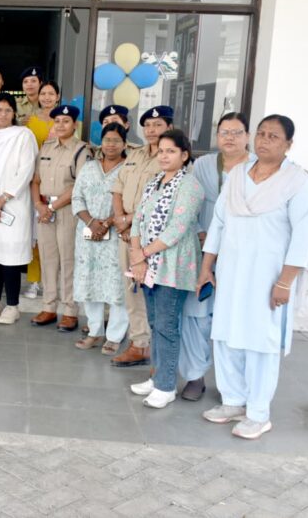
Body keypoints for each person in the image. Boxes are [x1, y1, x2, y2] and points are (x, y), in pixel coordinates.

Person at [199, 114, 308, 440]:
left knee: (261, 342)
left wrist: (285, 282)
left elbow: (303, 237)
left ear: (288, 144)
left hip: (268, 277)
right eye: (261, 134)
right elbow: (219, 223)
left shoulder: (298, 182)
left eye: (273, 136)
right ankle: (233, 400)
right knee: (225, 335)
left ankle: (258, 413)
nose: (264, 140)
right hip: (231, 272)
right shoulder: (238, 175)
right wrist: (207, 267)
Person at [178, 112, 253, 401]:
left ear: (247, 136)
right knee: (195, 313)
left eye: (236, 132)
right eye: (224, 132)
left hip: (240, 252)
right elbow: (189, 201)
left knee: (233, 317)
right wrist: (200, 232)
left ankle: (231, 384)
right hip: (201, 247)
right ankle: (195, 376)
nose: (230, 138)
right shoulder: (203, 165)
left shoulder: (257, 167)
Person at [128, 129, 204, 408]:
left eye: (171, 151)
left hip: (173, 267)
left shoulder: (190, 186)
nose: (164, 156)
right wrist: (137, 255)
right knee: (154, 323)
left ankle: (166, 386)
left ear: (184, 155)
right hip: (147, 264)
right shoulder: (155, 181)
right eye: (161, 151)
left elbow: (176, 229)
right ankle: (157, 376)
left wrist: (143, 254)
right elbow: (138, 219)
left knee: (166, 326)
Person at [110, 105, 174, 367]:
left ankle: (153, 346)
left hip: (152, 239)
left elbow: (164, 201)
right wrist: (120, 220)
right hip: (126, 235)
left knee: (152, 291)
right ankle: (139, 343)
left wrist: (128, 221)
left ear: (169, 128)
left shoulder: (172, 158)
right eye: (147, 125)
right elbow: (118, 189)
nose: (151, 130)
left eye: (157, 125)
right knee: (132, 290)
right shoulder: (134, 154)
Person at [0, 93, 38, 325]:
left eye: (7, 110)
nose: (3, 114)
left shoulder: (23, 135)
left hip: (13, 204)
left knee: (10, 258)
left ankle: (12, 306)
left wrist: (2, 199)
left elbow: (25, 170)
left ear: (14, 113)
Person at [30, 105, 89, 332]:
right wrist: (39, 205)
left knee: (68, 261)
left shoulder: (82, 150)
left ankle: (70, 311)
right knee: (48, 259)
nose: (61, 125)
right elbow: (36, 180)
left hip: (67, 211)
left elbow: (79, 186)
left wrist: (52, 207)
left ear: (75, 125)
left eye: (66, 121)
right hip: (44, 210)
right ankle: (49, 307)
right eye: (58, 121)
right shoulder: (46, 147)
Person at [73, 122, 129, 355]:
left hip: (116, 235)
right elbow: (77, 198)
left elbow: (131, 201)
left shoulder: (128, 169)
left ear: (124, 144)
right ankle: (95, 331)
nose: (111, 145)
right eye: (107, 140)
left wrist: (107, 223)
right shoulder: (88, 167)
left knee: (116, 284)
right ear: (101, 143)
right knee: (89, 281)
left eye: (116, 140)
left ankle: (115, 336)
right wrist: (91, 222)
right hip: (87, 234)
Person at [23, 80, 62, 300]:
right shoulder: (30, 121)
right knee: (35, 235)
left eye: (51, 94)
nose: (47, 97)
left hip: (58, 184)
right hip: (35, 182)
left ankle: (52, 282)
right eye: (43, 93)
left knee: (55, 237)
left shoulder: (67, 121)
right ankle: (34, 280)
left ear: (58, 97)